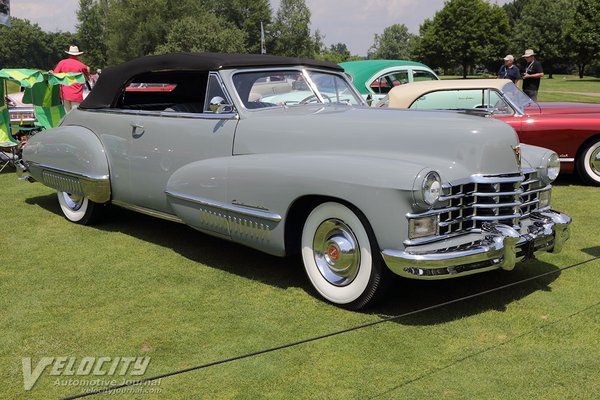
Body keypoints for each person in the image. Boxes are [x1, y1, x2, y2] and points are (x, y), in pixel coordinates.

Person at [52, 45, 90, 111]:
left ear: (69, 54)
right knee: (76, 116)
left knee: (67, 115)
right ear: (78, 55)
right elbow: (87, 78)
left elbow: (55, 76)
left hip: (65, 94)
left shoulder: (62, 63)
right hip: (77, 95)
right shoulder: (82, 66)